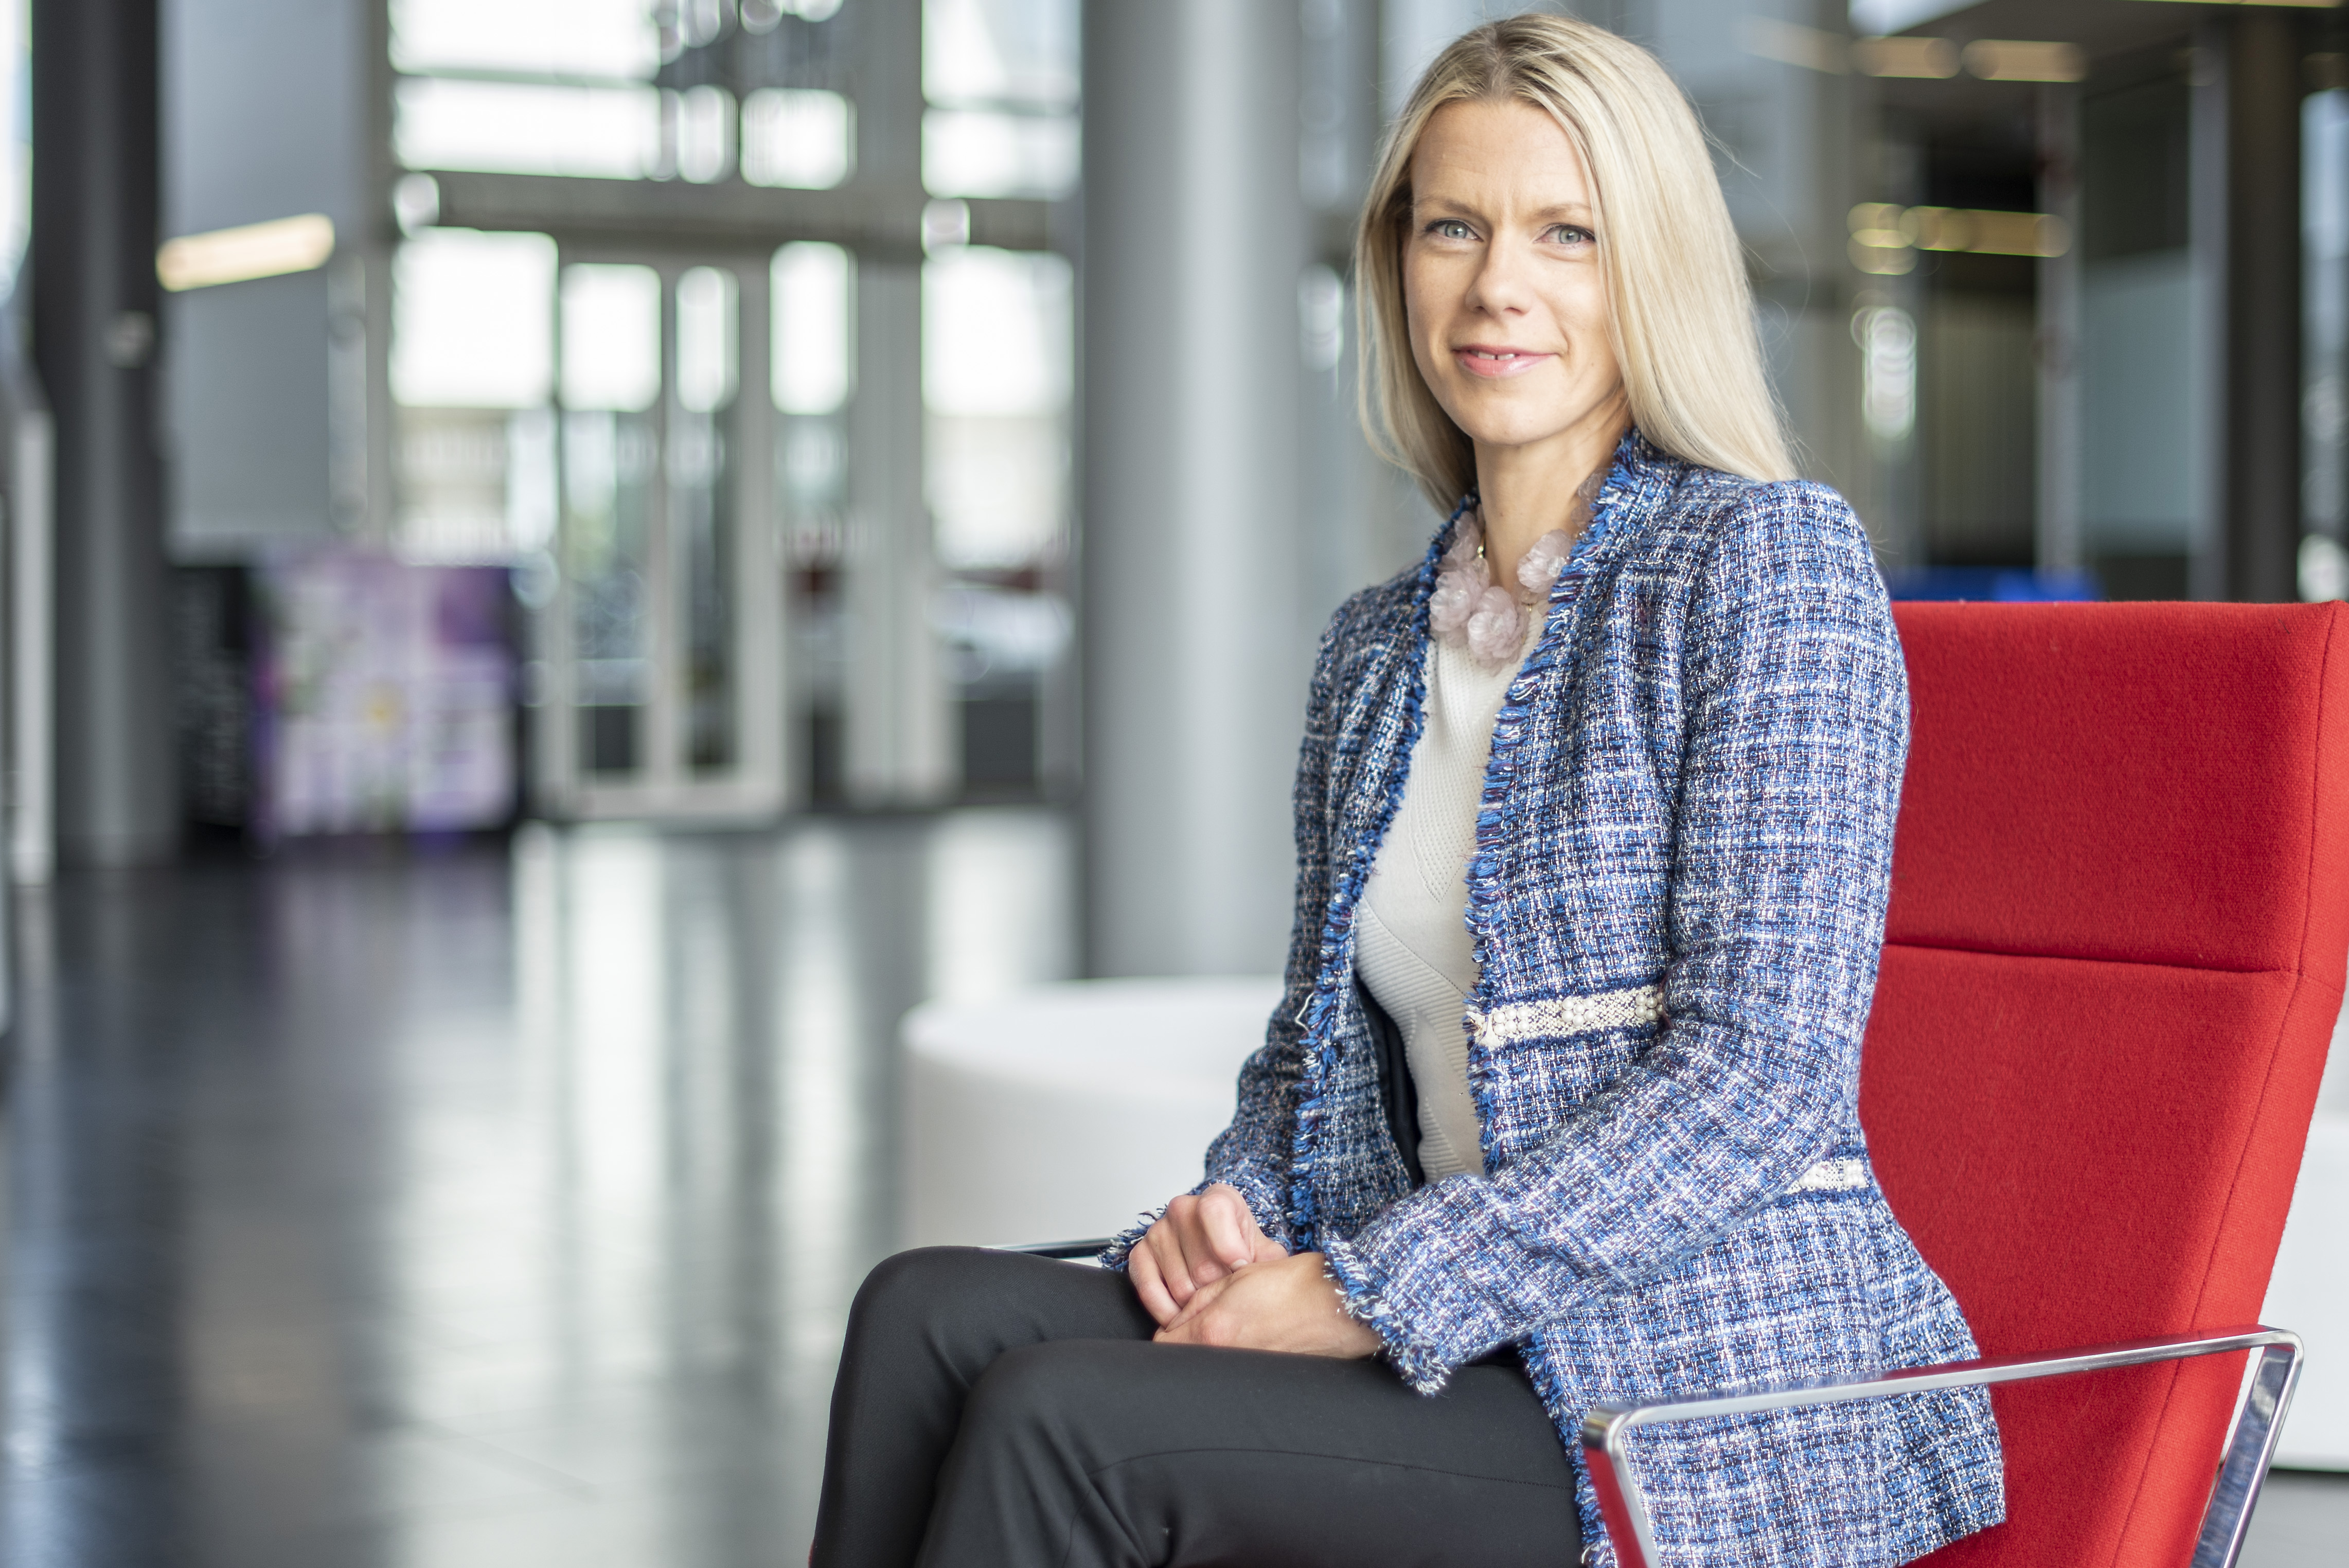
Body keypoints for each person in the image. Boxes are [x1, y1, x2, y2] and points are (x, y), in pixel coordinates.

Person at [810, 15, 2005, 1568]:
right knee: (922, 1314)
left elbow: (1759, 1079)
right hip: (1453, 1338)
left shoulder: (1764, 565)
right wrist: (1233, 1210)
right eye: (1455, 227)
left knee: (1063, 1420)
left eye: (1567, 234)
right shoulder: (1379, 646)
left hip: (1686, 1388)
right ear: (1397, 263)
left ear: (1651, 267)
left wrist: (1371, 1291)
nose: (1498, 284)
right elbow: (1313, 1051)